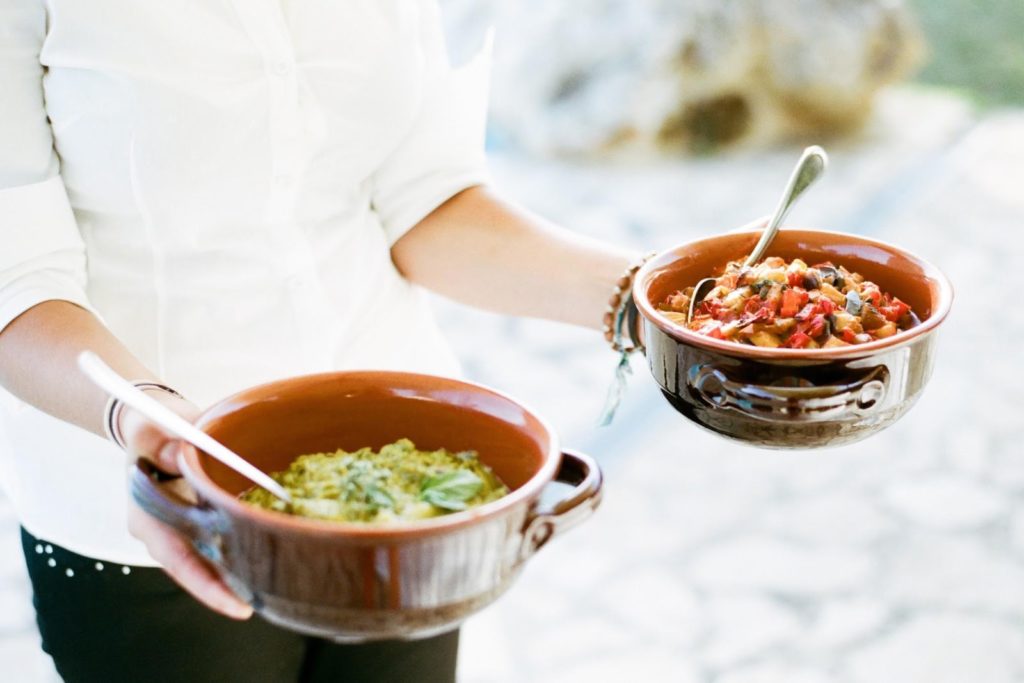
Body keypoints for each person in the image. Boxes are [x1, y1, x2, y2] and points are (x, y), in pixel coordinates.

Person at [0, 2, 644, 682]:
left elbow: (424, 197)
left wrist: (651, 300)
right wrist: (144, 413)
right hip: (156, 512)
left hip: (406, 497)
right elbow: (18, 279)